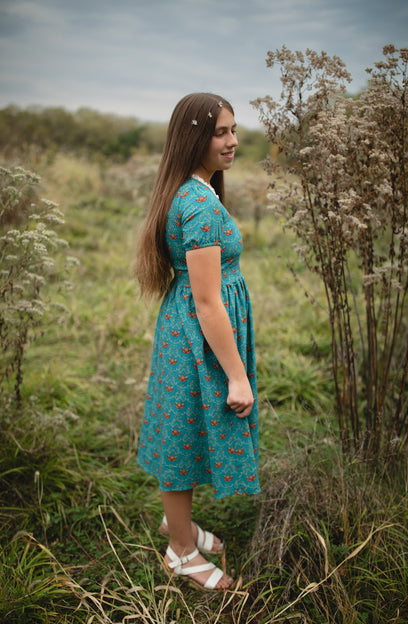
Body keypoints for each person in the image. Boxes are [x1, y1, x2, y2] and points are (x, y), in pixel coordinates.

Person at [135, 92, 260, 591]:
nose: (232, 141)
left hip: (184, 327)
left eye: (233, 130)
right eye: (220, 132)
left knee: (181, 425)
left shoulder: (188, 190)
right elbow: (209, 304)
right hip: (197, 333)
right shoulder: (199, 206)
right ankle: (181, 551)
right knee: (182, 433)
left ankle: (177, 524)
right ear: (195, 138)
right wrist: (237, 375)